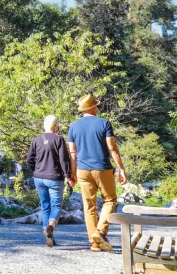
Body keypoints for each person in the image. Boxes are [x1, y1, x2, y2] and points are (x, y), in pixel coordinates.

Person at [67, 94, 128, 252]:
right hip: (102, 168)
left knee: (89, 206)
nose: (98, 108)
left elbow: (72, 152)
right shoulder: (104, 123)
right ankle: (100, 232)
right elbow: (112, 148)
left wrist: (72, 174)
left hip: (82, 170)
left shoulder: (73, 126)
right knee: (110, 200)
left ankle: (94, 243)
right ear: (93, 107)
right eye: (97, 106)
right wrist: (121, 169)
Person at [26, 115, 71, 247]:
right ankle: (50, 226)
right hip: (54, 177)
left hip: (39, 178)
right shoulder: (58, 139)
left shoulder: (36, 140)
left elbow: (29, 159)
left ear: (44, 126)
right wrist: (67, 175)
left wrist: (36, 170)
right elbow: (64, 160)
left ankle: (47, 233)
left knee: (45, 205)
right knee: (56, 205)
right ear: (55, 126)